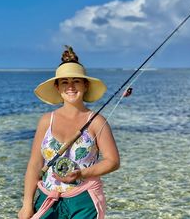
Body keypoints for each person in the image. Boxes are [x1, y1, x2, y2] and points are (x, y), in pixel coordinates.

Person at [18, 46, 120, 219]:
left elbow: (113, 161)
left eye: (76, 81)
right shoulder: (46, 121)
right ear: (57, 87)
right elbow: (35, 164)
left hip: (84, 199)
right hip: (47, 197)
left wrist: (81, 174)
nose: (71, 87)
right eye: (65, 82)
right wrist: (27, 204)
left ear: (85, 85)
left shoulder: (97, 121)